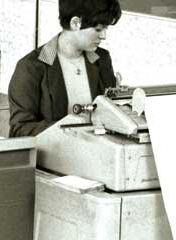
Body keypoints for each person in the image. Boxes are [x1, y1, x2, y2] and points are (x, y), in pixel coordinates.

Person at [7, 0, 120, 137]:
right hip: (53, 153)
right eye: (98, 29)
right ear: (75, 23)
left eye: (106, 29)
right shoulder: (31, 67)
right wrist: (70, 131)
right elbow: (20, 130)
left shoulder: (102, 59)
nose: (104, 36)